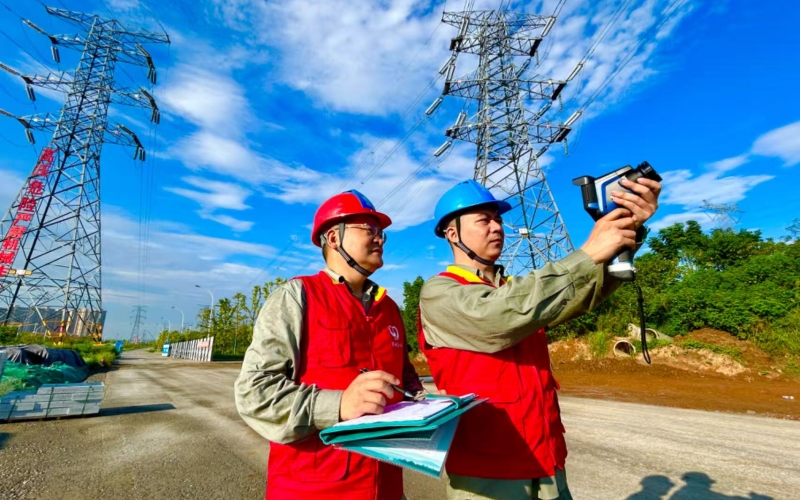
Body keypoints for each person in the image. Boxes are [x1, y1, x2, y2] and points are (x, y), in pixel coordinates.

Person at [419, 178, 662, 500]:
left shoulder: (518, 288)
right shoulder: (440, 292)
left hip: (546, 459)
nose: (497, 228)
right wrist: (587, 255)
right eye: (484, 220)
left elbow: (584, 292)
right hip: (487, 472)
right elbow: (500, 316)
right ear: (452, 233)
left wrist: (627, 232)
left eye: (499, 220)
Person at [235, 189, 423, 500]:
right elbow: (254, 393)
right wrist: (337, 405)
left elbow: (404, 377)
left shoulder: (388, 306)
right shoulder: (297, 296)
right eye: (370, 230)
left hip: (387, 486)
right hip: (315, 488)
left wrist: (424, 401)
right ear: (334, 238)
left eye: (382, 233)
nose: (380, 239)